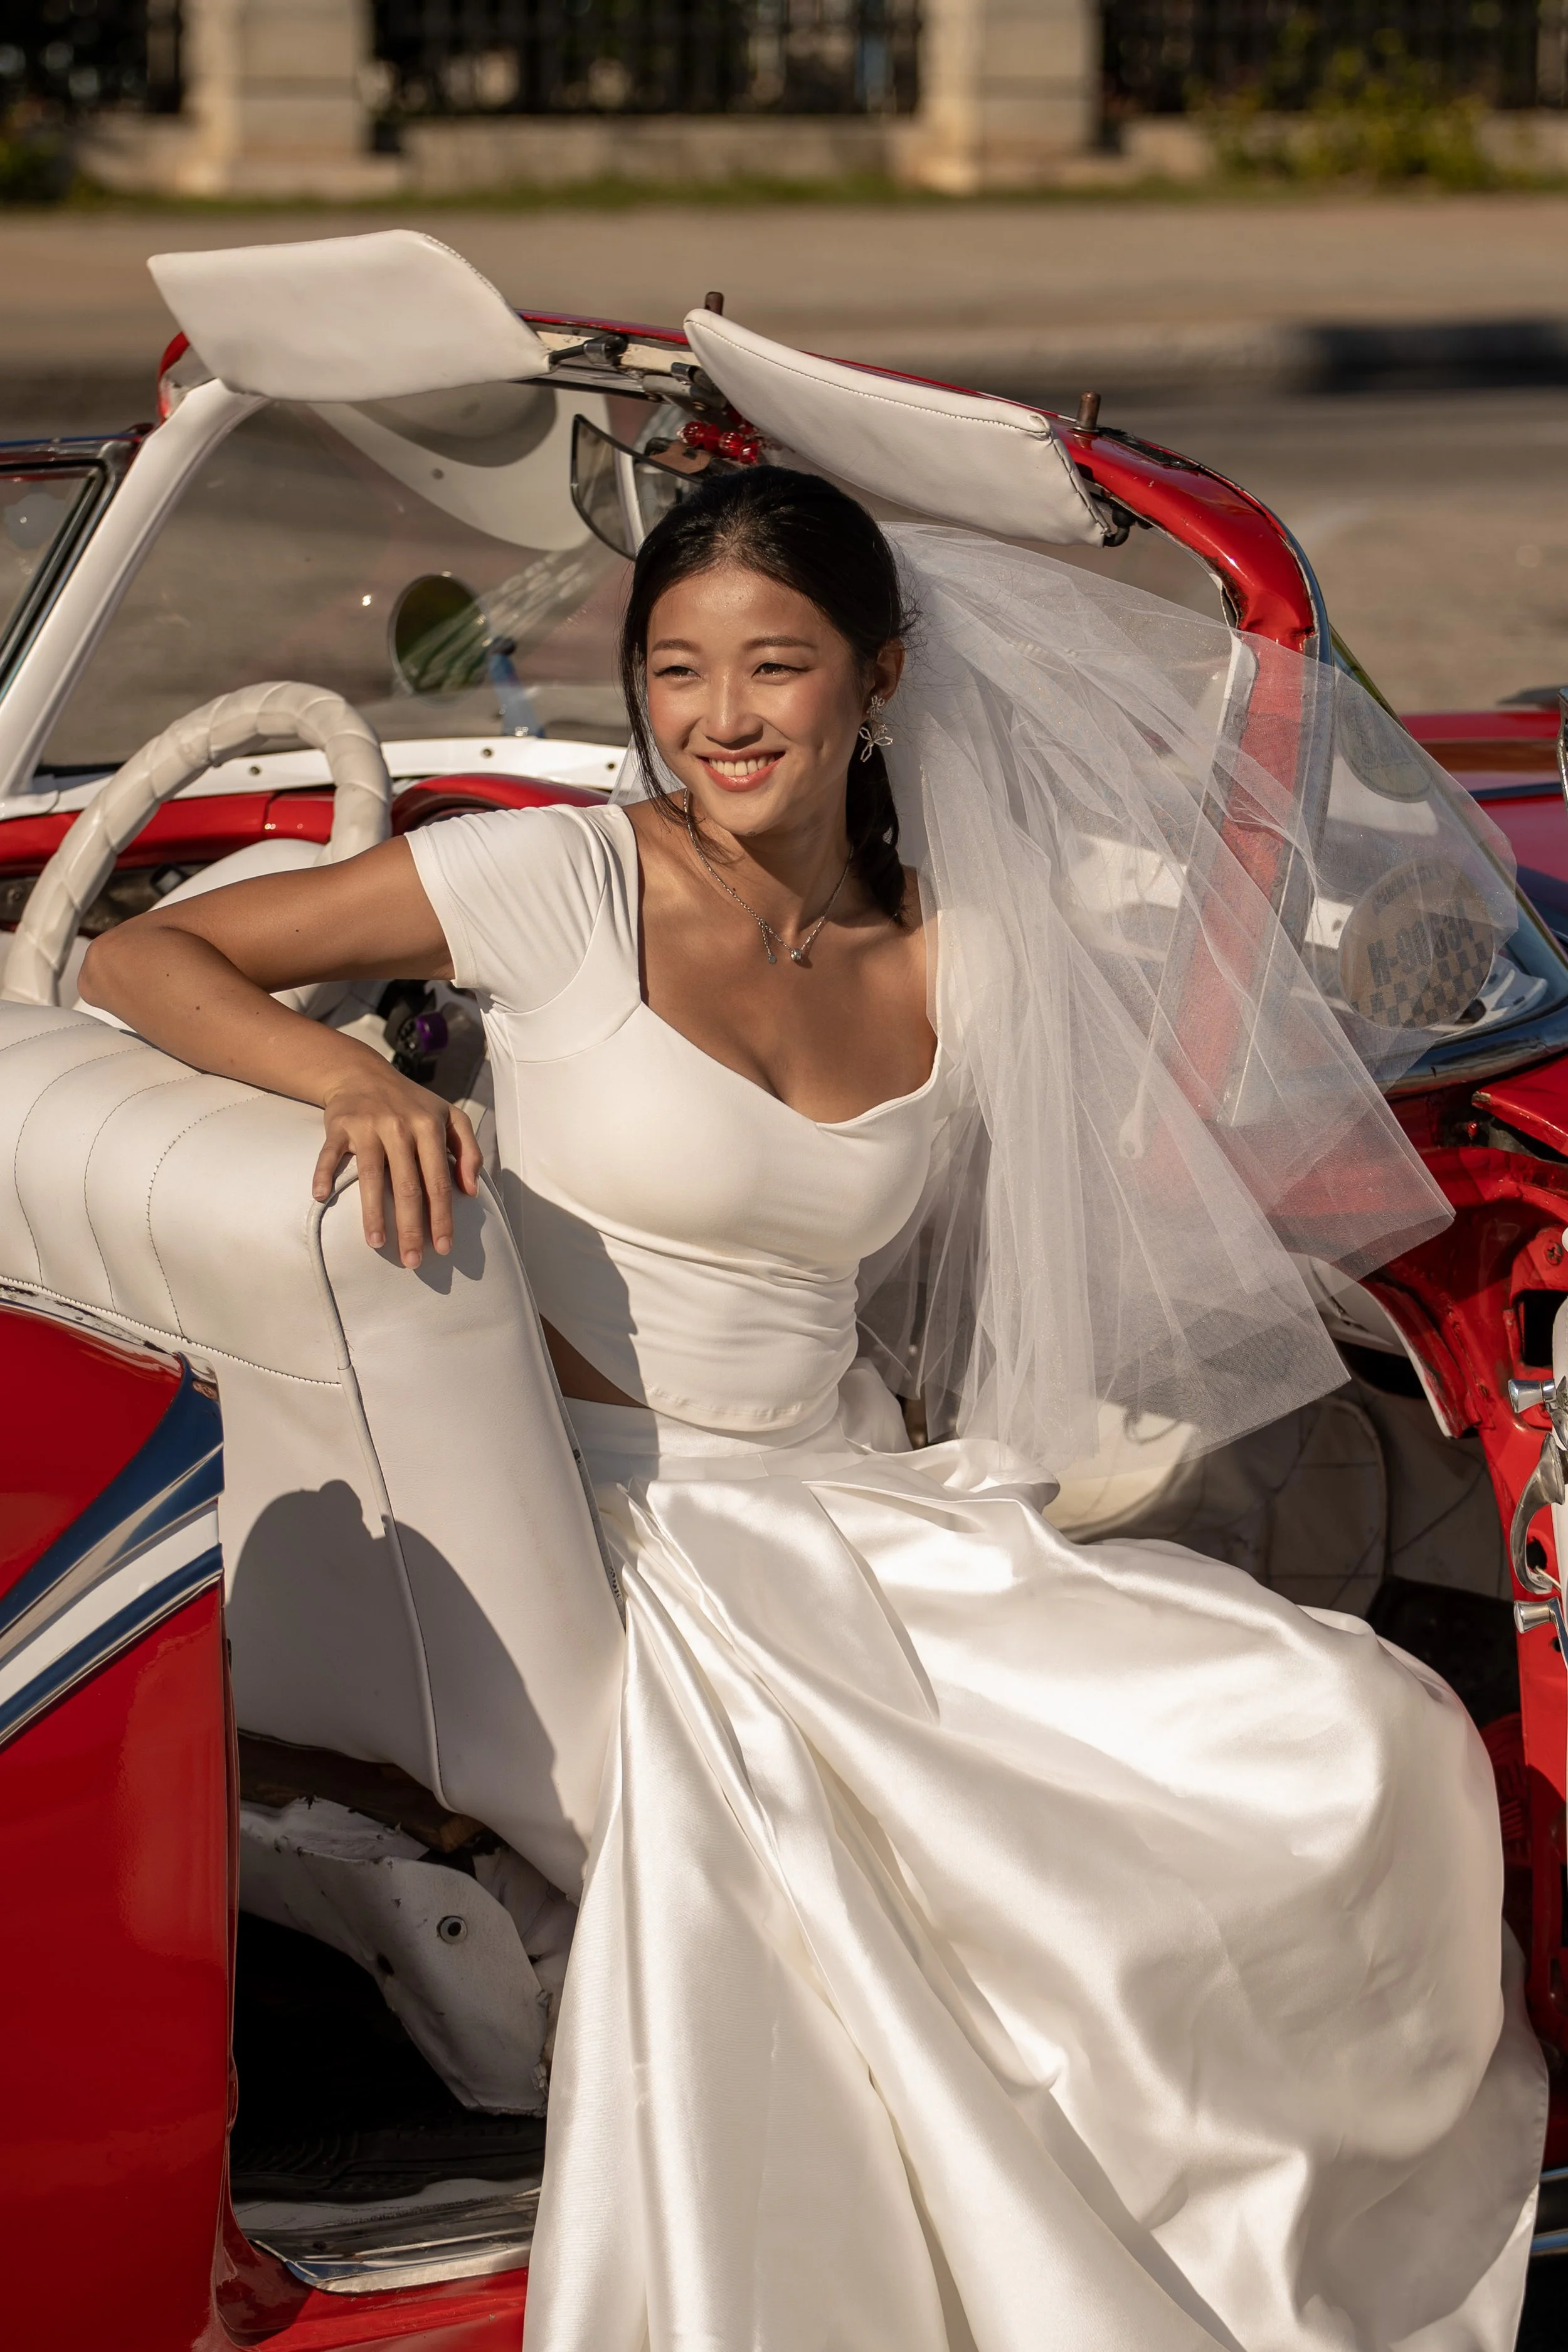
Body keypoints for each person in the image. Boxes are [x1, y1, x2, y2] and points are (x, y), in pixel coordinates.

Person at [84, 467, 1545, 2351]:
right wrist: (349, 1085)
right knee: (1007, 1861)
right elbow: (142, 953)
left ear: (880, 679)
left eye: (775, 666)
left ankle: (1297, 2255)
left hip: (868, 1499)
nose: (719, 717)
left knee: (1357, 1738)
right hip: (608, 1518)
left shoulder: (970, 954)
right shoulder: (563, 878)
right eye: (675, 668)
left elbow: (1113, 1198)